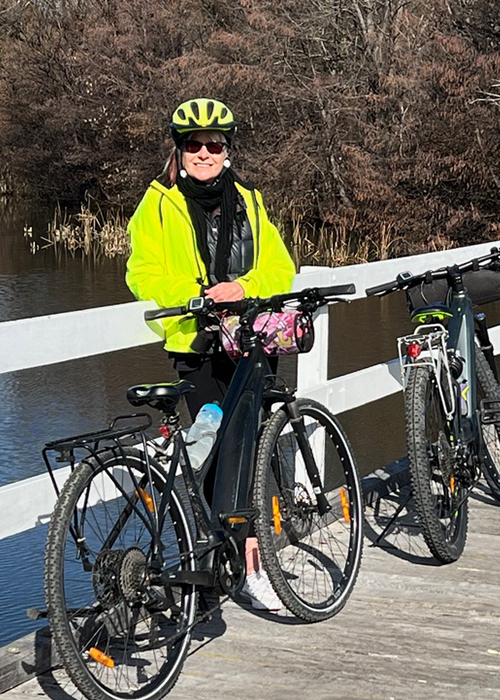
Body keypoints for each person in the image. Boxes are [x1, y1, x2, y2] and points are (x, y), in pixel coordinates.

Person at [125, 97, 294, 613]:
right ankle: (206, 557)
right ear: (179, 150)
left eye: (213, 144)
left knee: (252, 461)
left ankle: (251, 569)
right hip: (197, 347)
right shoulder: (157, 204)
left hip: (250, 345)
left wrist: (242, 287)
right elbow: (142, 273)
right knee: (215, 454)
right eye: (193, 144)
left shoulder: (250, 201)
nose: (204, 153)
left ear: (227, 150)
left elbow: (282, 270)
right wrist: (199, 291)